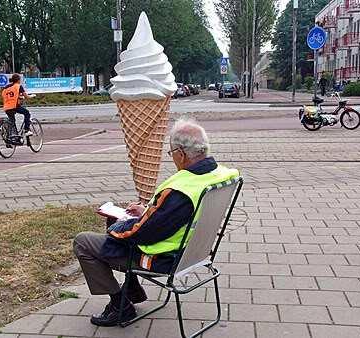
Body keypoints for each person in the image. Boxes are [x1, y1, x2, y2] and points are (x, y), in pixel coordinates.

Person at [73, 119, 240, 327]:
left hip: (163, 259)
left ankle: (120, 307)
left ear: (181, 154)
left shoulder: (181, 190)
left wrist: (119, 226)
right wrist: (145, 213)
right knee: (119, 222)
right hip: (196, 253)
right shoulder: (220, 175)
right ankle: (131, 289)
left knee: (83, 241)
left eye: (171, 154)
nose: (173, 159)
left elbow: (143, 234)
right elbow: (179, 217)